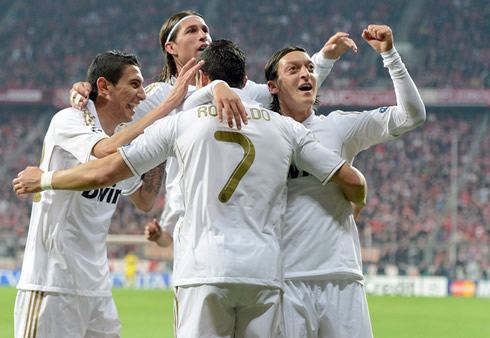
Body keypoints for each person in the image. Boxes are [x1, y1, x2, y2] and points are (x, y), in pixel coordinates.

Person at [14, 39, 367, 337]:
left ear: (199, 77)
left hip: (203, 269)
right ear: (247, 82)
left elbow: (107, 173)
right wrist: (356, 205)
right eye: (134, 86)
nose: (141, 95)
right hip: (264, 274)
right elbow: (353, 180)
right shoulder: (284, 127)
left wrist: (43, 179)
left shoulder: (181, 123)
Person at [12, 49, 202, 338]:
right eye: (134, 85)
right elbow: (103, 151)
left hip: (96, 289)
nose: (141, 95)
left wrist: (161, 138)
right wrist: (166, 107)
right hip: (51, 283)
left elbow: (144, 200)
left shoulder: (124, 135)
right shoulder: (69, 120)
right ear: (104, 87)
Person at [263, 25, 426, 337]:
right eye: (294, 69)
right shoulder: (261, 133)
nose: (305, 74)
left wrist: (390, 56)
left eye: (310, 68)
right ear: (272, 86)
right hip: (284, 278)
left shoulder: (339, 127)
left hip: (342, 276)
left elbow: (412, 116)